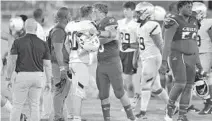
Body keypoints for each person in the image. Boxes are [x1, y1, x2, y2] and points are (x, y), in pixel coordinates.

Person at [91, 3, 137, 121]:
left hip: (112, 62)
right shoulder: (95, 24)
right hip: (101, 63)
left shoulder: (109, 20)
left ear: (101, 12)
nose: (92, 14)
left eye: (95, 11)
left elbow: (113, 35)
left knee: (119, 92)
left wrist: (97, 36)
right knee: (103, 95)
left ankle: (132, 118)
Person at [160, 1, 204, 121]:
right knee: (180, 83)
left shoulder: (194, 20)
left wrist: (198, 63)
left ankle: (182, 115)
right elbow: (167, 43)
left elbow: (194, 43)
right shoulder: (173, 20)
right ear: (180, 8)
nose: (190, 9)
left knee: (189, 86)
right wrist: (164, 61)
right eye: (187, 7)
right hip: (177, 55)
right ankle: (169, 111)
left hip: (191, 56)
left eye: (191, 6)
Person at [127, 2, 169, 118]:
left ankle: (143, 111)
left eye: (139, 12)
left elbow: (160, 44)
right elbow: (142, 45)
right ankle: (172, 106)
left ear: (147, 13)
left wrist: (165, 61)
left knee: (145, 85)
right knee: (156, 88)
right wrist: (134, 55)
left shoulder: (152, 25)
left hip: (152, 58)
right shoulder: (140, 26)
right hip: (146, 58)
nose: (136, 14)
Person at [5, 18, 51, 121]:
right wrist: (48, 81)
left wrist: (8, 78)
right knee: (35, 106)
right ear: (36, 28)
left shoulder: (17, 42)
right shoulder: (43, 44)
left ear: (25, 28)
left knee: (17, 106)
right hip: (38, 76)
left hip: (22, 75)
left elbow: (12, 61)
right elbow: (47, 65)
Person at [64, 5, 99, 121]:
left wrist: (72, 55)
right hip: (81, 62)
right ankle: (76, 118)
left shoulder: (71, 25)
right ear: (90, 13)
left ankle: (72, 116)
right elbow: (95, 44)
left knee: (76, 90)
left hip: (72, 60)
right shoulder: (89, 25)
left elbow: (66, 44)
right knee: (79, 91)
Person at [47, 7, 71, 121]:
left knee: (63, 91)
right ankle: (58, 117)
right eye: (69, 15)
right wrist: (62, 68)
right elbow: (57, 50)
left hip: (61, 64)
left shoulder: (60, 30)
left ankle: (60, 116)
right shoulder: (58, 31)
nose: (71, 17)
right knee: (59, 91)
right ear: (66, 17)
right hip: (59, 64)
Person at [117, 1, 140, 109]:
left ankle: (131, 101)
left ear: (133, 11)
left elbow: (140, 44)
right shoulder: (119, 22)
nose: (126, 12)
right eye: (124, 9)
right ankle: (130, 99)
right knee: (122, 80)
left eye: (128, 10)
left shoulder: (137, 25)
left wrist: (130, 45)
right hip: (120, 53)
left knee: (128, 80)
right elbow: (117, 39)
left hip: (131, 54)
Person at [192, 1, 212, 115]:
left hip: (206, 53)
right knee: (201, 79)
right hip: (197, 54)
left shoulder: (208, 22)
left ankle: (208, 104)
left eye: (194, 12)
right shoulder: (191, 23)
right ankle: (208, 103)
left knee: (202, 78)